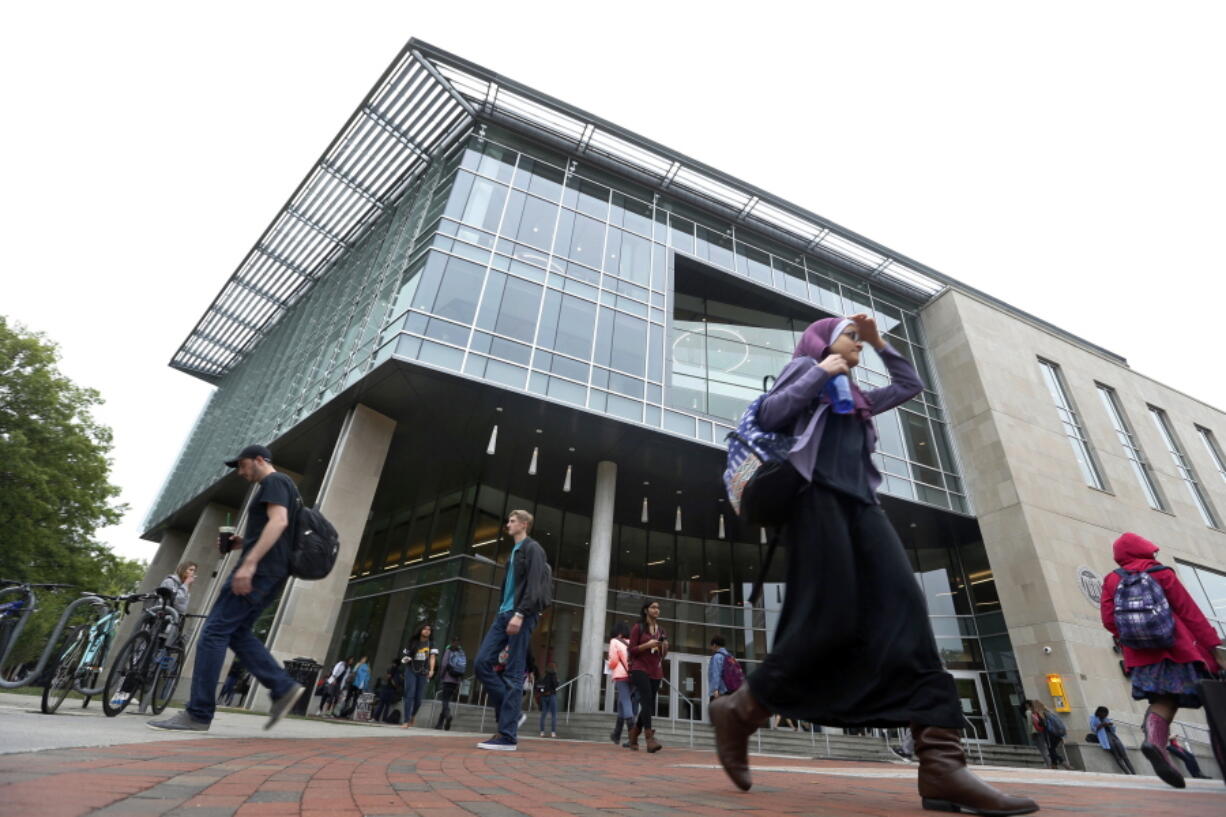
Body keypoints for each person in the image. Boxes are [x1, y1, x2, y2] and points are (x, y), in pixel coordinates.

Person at [708, 315, 1037, 815]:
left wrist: (882, 343)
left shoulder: (858, 399)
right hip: (816, 501)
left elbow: (910, 384)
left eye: (861, 344)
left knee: (908, 611)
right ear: (824, 340)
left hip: (863, 505)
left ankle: (941, 766)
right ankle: (740, 709)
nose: (857, 350)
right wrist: (823, 370)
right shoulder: (806, 367)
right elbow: (774, 414)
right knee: (827, 619)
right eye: (852, 339)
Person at [148, 444, 304, 732]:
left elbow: (279, 522)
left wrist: (248, 564)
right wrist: (242, 543)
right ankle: (282, 687)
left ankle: (198, 713)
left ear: (260, 459)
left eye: (242, 465)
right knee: (237, 632)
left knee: (214, 632)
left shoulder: (275, 481)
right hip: (272, 570)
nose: (240, 472)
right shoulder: (285, 488)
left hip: (260, 570)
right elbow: (280, 530)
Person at [1101, 531, 1226, 788]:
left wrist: (1135, 637)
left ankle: (1155, 742)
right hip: (1179, 649)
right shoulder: (1162, 573)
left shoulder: (1112, 580)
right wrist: (1214, 647)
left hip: (1142, 656)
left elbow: (1109, 620)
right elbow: (1190, 613)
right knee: (1212, 705)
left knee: (1163, 700)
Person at [473, 509, 552, 751]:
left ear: (524, 524)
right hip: (503, 615)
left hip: (521, 615)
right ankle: (513, 714)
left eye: (512, 520)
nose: (508, 524)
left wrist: (520, 613)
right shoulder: (514, 553)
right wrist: (505, 612)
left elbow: (536, 583)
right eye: (508, 520)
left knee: (513, 673)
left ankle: (507, 736)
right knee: (481, 663)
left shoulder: (533, 548)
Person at [627, 599, 668, 753]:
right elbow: (631, 650)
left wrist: (664, 647)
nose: (657, 610)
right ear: (646, 610)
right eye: (653, 607)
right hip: (640, 668)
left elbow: (663, 655)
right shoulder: (638, 627)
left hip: (656, 670)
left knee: (648, 702)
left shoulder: (662, 631)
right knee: (646, 699)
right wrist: (647, 645)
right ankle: (649, 738)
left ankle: (633, 734)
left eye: (658, 608)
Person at [400, 624, 437, 727]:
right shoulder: (412, 641)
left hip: (423, 672)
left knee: (418, 699)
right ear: (420, 630)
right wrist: (408, 658)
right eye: (425, 629)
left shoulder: (431, 644)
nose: (427, 631)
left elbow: (432, 657)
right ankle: (406, 721)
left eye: (429, 630)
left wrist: (432, 670)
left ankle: (412, 715)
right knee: (409, 694)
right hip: (411, 670)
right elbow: (404, 658)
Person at [156, 561, 196, 647]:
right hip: (163, 618)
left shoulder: (184, 586)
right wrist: (186, 584)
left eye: (194, 571)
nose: (193, 573)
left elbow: (181, 606)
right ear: (183, 570)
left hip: (174, 620)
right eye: (191, 570)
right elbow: (177, 600)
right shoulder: (170, 581)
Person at [607, 621, 634, 745]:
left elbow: (613, 660)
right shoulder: (631, 642)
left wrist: (609, 665)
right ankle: (616, 734)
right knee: (621, 703)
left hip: (621, 675)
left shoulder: (614, 641)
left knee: (625, 701)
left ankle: (632, 734)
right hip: (633, 676)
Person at [1089, 706, 1135, 774]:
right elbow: (1093, 729)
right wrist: (1102, 725)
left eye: (1106, 713)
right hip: (1106, 739)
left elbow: (1113, 730)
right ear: (1099, 712)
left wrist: (1110, 725)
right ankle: (1128, 773)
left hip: (1113, 737)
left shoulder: (1106, 719)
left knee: (1124, 756)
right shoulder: (1093, 719)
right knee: (1117, 757)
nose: (1105, 715)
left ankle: (1134, 773)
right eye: (1103, 713)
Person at [434, 634, 465, 730]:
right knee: (447, 699)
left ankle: (448, 715)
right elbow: (462, 667)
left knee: (445, 700)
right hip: (456, 680)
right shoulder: (462, 652)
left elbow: (443, 664)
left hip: (447, 679)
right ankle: (440, 724)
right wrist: (459, 679)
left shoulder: (449, 650)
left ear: (452, 642)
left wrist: (441, 675)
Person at [1031, 699, 1072, 770]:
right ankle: (1054, 765)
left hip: (1049, 734)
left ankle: (1063, 762)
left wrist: (1037, 722)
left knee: (1051, 750)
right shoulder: (1048, 711)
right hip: (1057, 734)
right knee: (1052, 749)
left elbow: (1043, 724)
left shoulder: (1041, 713)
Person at [708, 635, 735, 701]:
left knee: (715, 710)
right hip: (731, 691)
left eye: (711, 646)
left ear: (714, 645)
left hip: (720, 692)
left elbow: (716, 674)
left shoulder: (717, 657)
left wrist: (715, 690)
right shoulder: (730, 657)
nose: (711, 649)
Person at [537, 662, 559, 737]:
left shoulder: (544, 676)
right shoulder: (553, 675)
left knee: (543, 714)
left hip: (544, 696)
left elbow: (539, 686)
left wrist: (542, 692)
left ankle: (542, 732)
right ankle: (553, 732)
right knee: (554, 714)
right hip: (551, 696)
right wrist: (557, 682)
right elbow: (555, 685)